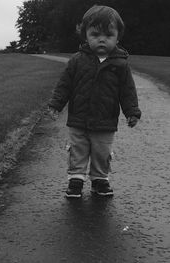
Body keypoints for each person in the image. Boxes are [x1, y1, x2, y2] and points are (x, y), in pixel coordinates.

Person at [48, 5, 141, 198]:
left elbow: (127, 92)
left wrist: (132, 112)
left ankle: (100, 180)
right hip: (78, 119)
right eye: (95, 34)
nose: (101, 39)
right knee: (78, 150)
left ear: (117, 37)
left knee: (102, 151)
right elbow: (64, 85)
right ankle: (76, 179)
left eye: (108, 35)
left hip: (105, 121)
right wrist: (55, 105)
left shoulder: (120, 64)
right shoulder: (77, 60)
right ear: (85, 35)